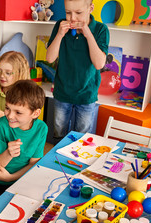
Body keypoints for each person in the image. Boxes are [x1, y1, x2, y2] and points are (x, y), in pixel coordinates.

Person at [0, 80, 48, 209]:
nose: (10, 115)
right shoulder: (0, 126)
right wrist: (8, 153)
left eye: (18, 112)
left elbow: (33, 163)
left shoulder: (41, 128)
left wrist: (11, 178)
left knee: (40, 205)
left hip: (19, 179)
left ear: (35, 113)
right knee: (1, 212)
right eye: (7, 108)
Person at [46, 0, 109, 143]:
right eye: (68, 12)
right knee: (59, 136)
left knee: (82, 140)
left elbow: (99, 64)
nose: (72, 18)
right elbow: (50, 58)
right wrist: (60, 35)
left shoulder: (100, 29)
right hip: (62, 92)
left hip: (87, 94)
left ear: (90, 8)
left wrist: (88, 35)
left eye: (78, 13)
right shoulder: (60, 26)